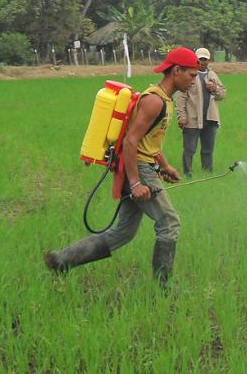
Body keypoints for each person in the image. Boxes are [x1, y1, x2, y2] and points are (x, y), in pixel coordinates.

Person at [44, 47, 200, 287]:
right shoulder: (154, 101)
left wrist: (166, 166)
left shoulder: (164, 100)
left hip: (143, 166)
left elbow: (150, 141)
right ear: (176, 70)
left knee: (123, 233)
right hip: (138, 169)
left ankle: (62, 259)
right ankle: (164, 286)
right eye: (191, 75)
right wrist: (136, 182)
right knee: (169, 223)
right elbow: (130, 141)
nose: (194, 80)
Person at [175, 48, 227, 177]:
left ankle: (207, 173)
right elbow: (180, 97)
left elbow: (222, 94)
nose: (202, 62)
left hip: (210, 119)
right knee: (189, 149)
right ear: (195, 59)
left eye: (205, 59)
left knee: (208, 150)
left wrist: (214, 88)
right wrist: (181, 116)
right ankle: (188, 174)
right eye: (200, 59)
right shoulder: (189, 74)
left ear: (209, 60)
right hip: (192, 119)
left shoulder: (212, 75)